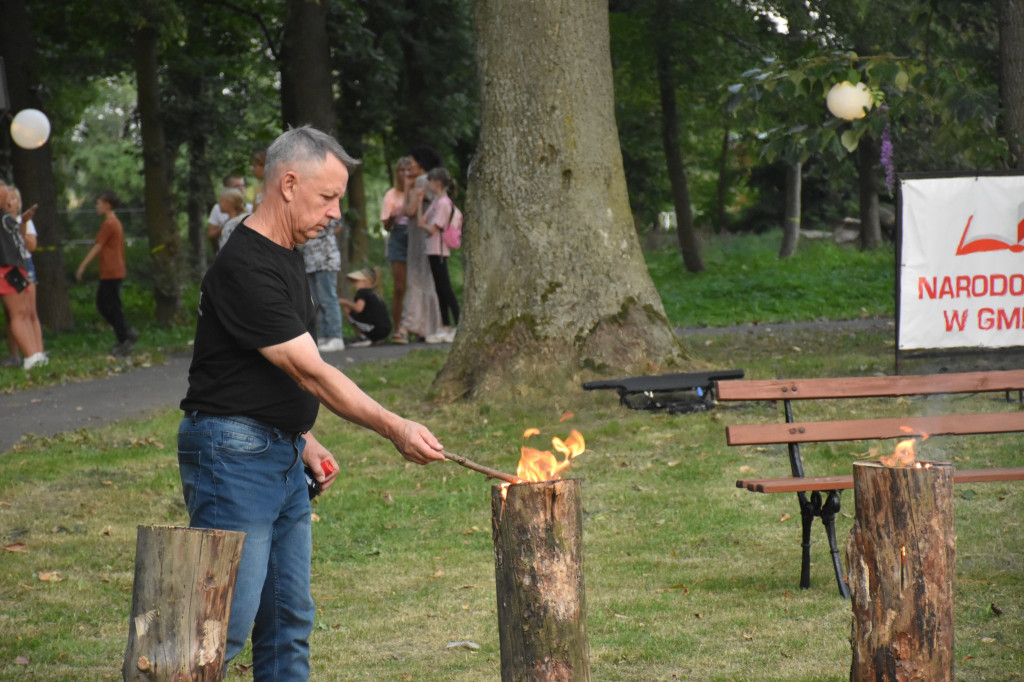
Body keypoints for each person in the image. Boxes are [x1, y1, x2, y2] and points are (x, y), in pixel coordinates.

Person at [177, 125, 444, 679]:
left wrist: (302, 437)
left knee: (288, 623)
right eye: (328, 197)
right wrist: (393, 426)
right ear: (289, 184)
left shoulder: (285, 255)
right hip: (233, 459)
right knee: (218, 627)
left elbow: (261, 369)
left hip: (273, 453)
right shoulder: (246, 265)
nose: (335, 213)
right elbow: (310, 371)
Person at [76, 190, 139, 357]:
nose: (97, 206)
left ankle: (124, 338)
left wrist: (82, 266)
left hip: (112, 271)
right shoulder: (114, 222)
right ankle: (125, 333)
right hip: (111, 270)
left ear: (107, 205)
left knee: (108, 306)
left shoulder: (109, 224)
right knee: (107, 305)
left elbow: (98, 246)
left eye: (99, 203)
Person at [393, 147, 444, 344]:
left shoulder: (423, 182)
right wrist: (407, 187)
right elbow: (408, 210)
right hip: (420, 239)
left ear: (421, 163)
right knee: (425, 282)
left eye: (411, 162)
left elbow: (409, 210)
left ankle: (407, 326)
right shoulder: (425, 182)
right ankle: (428, 326)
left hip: (421, 239)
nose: (408, 166)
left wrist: (411, 189)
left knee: (416, 281)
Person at [0, 182, 46, 370]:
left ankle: (35, 354)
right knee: (17, 314)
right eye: (8, 197)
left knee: (26, 312)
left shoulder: (10, 219)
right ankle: (29, 357)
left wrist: (24, 221)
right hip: (6, 269)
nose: (11, 200)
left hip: (18, 267)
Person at [417, 167, 460, 343]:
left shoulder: (444, 204)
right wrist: (420, 202)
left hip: (440, 250)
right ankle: (445, 326)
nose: (428, 186)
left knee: (445, 289)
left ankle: (458, 324)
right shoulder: (436, 201)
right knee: (439, 289)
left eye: (430, 182)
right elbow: (422, 221)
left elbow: (434, 227)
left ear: (437, 183)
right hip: (432, 249)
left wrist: (426, 226)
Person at [301, 212, 346, 352]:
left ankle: (335, 336)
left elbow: (339, 225)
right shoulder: (303, 206)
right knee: (316, 301)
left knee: (328, 298)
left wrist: (324, 237)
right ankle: (324, 336)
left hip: (326, 259)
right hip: (309, 260)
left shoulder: (327, 206)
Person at [381, 158, 412, 342]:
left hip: (416, 238)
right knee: (400, 287)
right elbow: (386, 226)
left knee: (417, 286)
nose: (405, 174)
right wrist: (392, 218)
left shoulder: (417, 191)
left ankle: (415, 326)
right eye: (401, 170)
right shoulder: (391, 195)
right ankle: (398, 328)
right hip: (398, 237)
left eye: (408, 170)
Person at [339, 267, 392, 347]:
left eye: (356, 281)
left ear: (366, 282)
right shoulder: (375, 294)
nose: (354, 284)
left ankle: (363, 337)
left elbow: (358, 308)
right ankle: (375, 338)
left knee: (347, 310)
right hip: (386, 330)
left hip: (374, 329)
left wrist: (345, 302)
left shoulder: (362, 292)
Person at [207, 176, 248, 252]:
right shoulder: (229, 222)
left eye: (243, 185)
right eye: (237, 186)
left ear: (229, 203)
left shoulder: (233, 224)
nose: (241, 188)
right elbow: (211, 234)